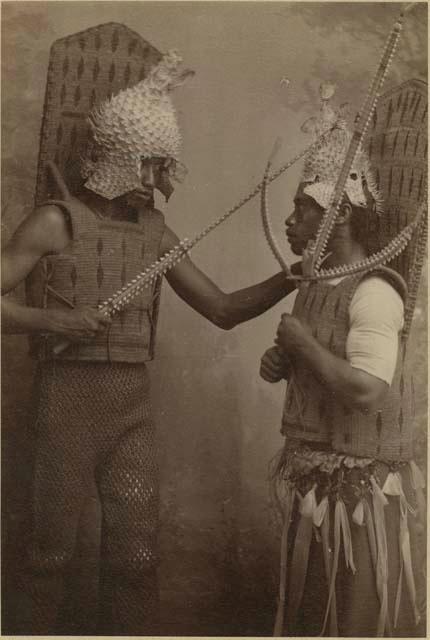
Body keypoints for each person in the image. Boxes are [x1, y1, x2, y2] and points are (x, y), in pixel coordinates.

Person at [1, 48, 300, 635]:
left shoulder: (155, 233)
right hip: (66, 404)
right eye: (154, 166)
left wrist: (284, 280)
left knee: (137, 558)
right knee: (49, 556)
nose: (162, 182)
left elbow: (222, 309)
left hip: (131, 409)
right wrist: (56, 322)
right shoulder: (54, 222)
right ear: (123, 158)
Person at [260, 89, 425, 637]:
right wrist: (283, 361)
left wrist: (304, 347)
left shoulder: (376, 291)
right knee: (310, 617)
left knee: (348, 620)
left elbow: (367, 392)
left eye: (304, 208)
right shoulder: (316, 281)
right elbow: (316, 359)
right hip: (313, 479)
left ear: (342, 215)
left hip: (359, 488)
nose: (291, 220)